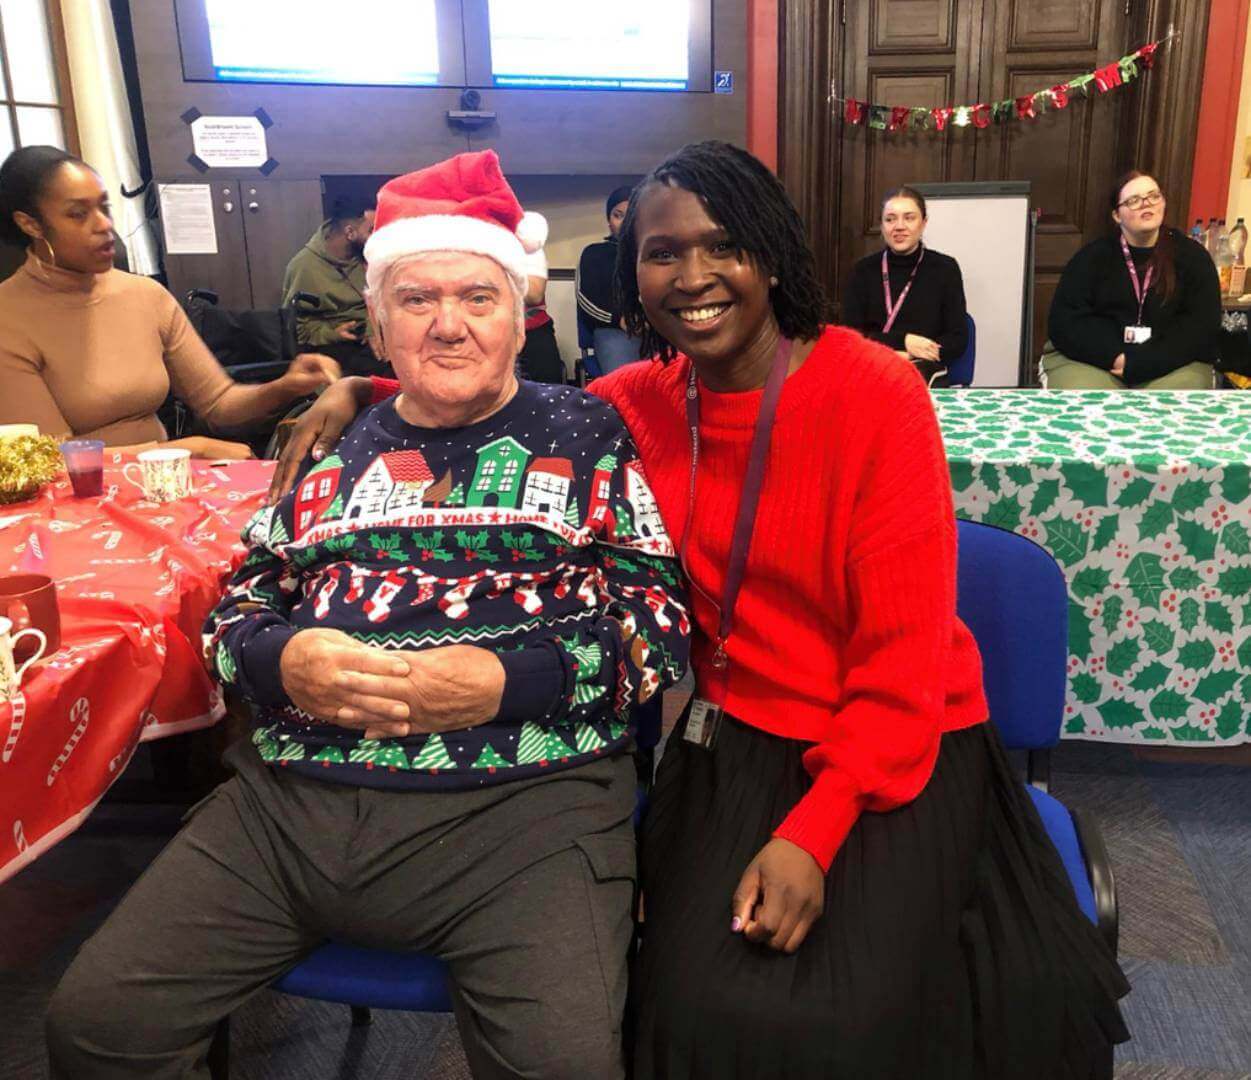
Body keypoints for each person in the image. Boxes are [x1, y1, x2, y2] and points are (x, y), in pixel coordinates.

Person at [269, 141, 1130, 1079]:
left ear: (772, 254)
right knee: (682, 1009)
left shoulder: (873, 393)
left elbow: (904, 657)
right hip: (732, 738)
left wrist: (814, 828)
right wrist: (365, 390)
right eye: (661, 252)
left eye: (722, 246)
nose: (692, 277)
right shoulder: (628, 405)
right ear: (628, 268)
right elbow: (497, 401)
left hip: (891, 739)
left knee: (832, 1021)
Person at [45, 150, 689, 1080]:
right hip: (290, 808)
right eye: (417, 300)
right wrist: (282, 663)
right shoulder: (326, 441)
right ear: (377, 328)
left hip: (524, 817)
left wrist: (509, 681)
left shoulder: (587, 434)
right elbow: (233, 616)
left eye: (477, 297)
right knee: (96, 1025)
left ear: (520, 314)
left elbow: (658, 624)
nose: (449, 326)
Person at [0, 146, 340, 458]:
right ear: (30, 224)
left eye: (104, 207)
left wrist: (285, 386)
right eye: (78, 214)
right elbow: (50, 460)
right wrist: (189, 450)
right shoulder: (9, 316)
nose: (104, 225)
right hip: (75, 505)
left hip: (166, 481)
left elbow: (219, 402)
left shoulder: (145, 295)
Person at [1043, 170, 1220, 388]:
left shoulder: (1193, 257)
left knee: (1169, 405)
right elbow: (1065, 322)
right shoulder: (1091, 258)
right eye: (1134, 201)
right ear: (1117, 215)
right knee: (1090, 401)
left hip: (1171, 362)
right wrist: (1116, 357)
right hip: (1098, 360)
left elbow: (1201, 326)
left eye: (1153, 196)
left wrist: (1144, 362)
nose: (1146, 204)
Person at [841, 185, 968, 386]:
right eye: (890, 219)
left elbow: (958, 338)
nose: (899, 226)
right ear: (882, 226)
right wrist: (904, 343)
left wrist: (913, 357)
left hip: (925, 377)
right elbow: (850, 336)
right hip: (872, 372)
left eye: (909, 218)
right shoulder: (862, 271)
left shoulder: (945, 269)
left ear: (924, 223)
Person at [281, 191, 386, 376]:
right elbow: (295, 329)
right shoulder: (304, 267)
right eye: (370, 231)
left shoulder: (369, 255)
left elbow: (383, 297)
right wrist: (332, 333)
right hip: (334, 345)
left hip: (373, 334)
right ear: (349, 233)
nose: (376, 237)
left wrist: (373, 329)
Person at [576, 184, 640, 374]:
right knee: (627, 382)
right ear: (609, 221)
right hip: (613, 329)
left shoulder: (656, 252)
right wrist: (619, 319)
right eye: (618, 215)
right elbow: (585, 299)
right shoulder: (594, 253)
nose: (624, 221)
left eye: (631, 215)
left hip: (658, 329)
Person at [516, 212, 567, 384]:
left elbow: (534, 295)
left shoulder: (528, 244)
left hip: (534, 331)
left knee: (548, 388)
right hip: (493, 330)